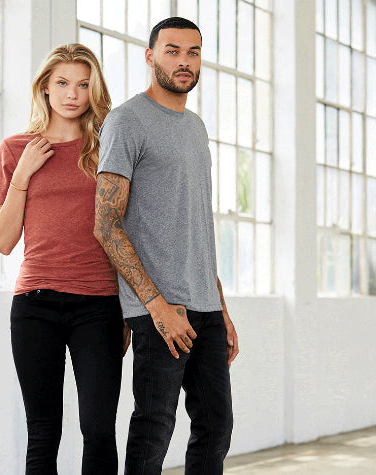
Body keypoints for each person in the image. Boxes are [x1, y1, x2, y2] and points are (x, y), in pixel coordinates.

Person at [94, 17, 239, 475]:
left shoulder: (196, 127)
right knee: (154, 430)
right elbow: (106, 224)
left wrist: (221, 307)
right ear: (150, 55)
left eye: (193, 52)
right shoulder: (127, 121)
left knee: (216, 428)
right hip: (159, 309)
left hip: (205, 307)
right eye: (172, 50)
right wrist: (154, 306)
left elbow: (195, 226)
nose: (184, 61)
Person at [0, 43, 130, 474]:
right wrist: (25, 174)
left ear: (95, 90)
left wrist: (129, 309)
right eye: (63, 83)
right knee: (44, 429)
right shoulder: (16, 150)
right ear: (45, 88)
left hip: (99, 304)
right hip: (35, 305)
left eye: (84, 84)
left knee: (99, 429)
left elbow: (126, 231)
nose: (72, 93)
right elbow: (2, 240)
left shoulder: (110, 148)